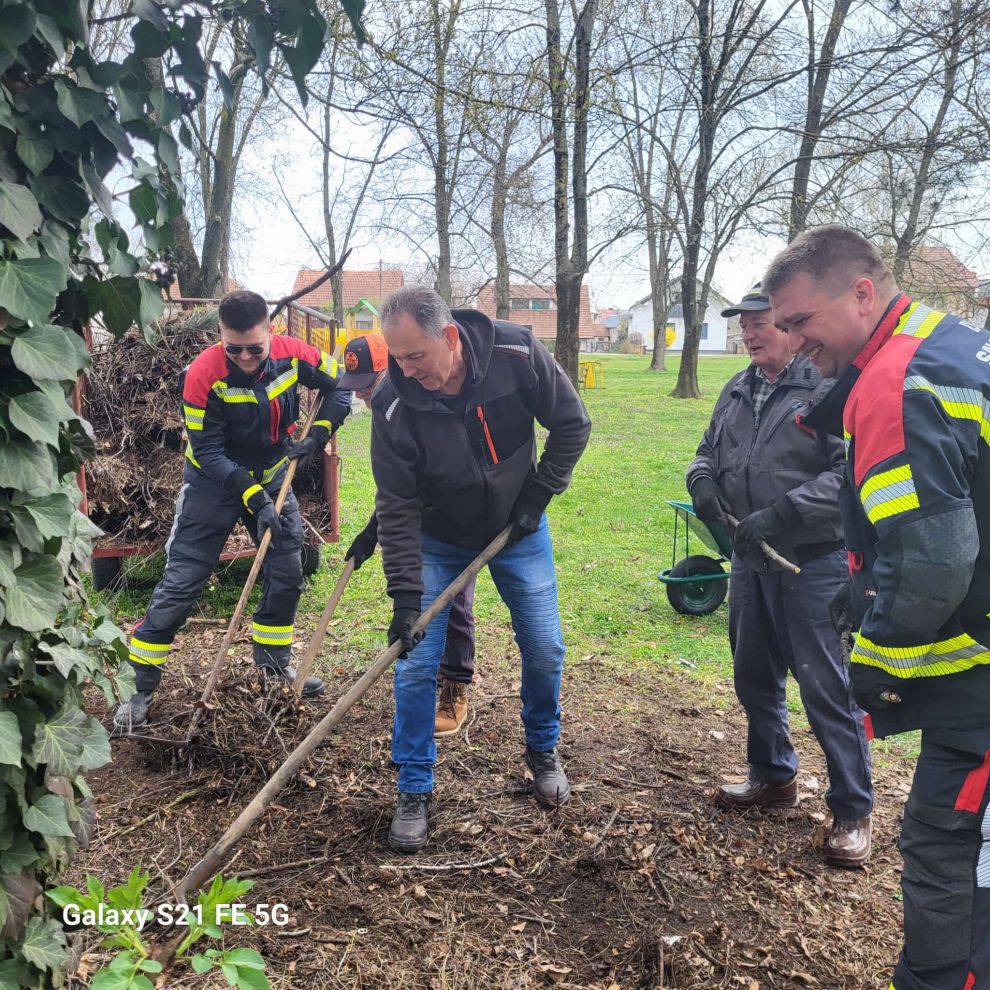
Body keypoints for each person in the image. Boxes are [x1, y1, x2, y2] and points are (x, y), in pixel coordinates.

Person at [765, 224, 990, 989]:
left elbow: (933, 563)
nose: (792, 342)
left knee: (947, 852)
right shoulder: (950, 343)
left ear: (863, 293)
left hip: (983, 697)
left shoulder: (895, 384)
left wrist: (877, 660)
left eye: (800, 321)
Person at [370, 286, 591, 853]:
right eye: (395, 358)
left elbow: (572, 424)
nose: (405, 369)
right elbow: (395, 506)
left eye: (414, 356)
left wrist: (537, 496)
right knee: (416, 662)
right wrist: (404, 597)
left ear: (448, 337)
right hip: (439, 538)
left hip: (518, 531)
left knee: (544, 647)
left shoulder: (516, 355)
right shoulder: (393, 403)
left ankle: (542, 748)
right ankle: (415, 786)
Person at [685, 281, 873, 868]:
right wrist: (701, 484)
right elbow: (705, 452)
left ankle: (852, 806)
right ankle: (773, 778)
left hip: (811, 561)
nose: (748, 334)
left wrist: (783, 514)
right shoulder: (737, 390)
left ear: (792, 328)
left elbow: (852, 474)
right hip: (751, 560)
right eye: (742, 325)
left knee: (824, 685)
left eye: (758, 323)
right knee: (753, 674)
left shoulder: (826, 388)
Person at [113, 289, 352, 730]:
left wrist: (316, 436)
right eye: (233, 347)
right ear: (220, 336)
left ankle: (273, 671)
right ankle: (139, 686)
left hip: (275, 473)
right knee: (184, 579)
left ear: (270, 332)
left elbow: (341, 390)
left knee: (286, 572)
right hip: (214, 483)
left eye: (254, 348)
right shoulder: (203, 373)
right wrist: (255, 498)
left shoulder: (294, 354)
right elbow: (206, 450)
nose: (244, 357)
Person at [339, 332, 478, 736]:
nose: (362, 394)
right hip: (419, 519)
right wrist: (372, 532)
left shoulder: (420, 400)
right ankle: (431, 674)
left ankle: (456, 686)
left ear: (393, 367)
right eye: (356, 386)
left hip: (459, 518)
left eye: (368, 383)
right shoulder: (386, 411)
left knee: (453, 603)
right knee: (421, 602)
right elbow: (398, 489)